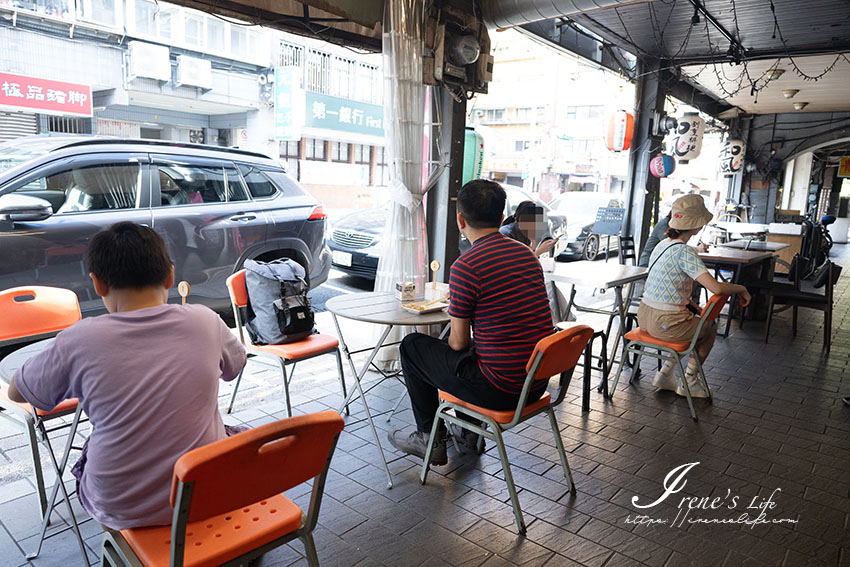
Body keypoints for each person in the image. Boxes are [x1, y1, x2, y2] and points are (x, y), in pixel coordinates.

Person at [8, 222, 246, 530]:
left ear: (98, 284)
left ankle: (125, 549)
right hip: (204, 491)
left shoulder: (78, 340)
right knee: (232, 431)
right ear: (170, 276)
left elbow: (18, 393)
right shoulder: (206, 320)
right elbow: (235, 367)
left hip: (119, 506)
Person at [388, 180, 554, 465]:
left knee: (413, 346)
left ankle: (430, 438)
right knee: (468, 353)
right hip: (535, 383)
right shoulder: (528, 256)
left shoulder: (467, 266)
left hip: (502, 391)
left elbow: (459, 341)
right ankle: (467, 433)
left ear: (460, 220)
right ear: (502, 218)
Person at [638, 194, 751, 397]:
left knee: (693, 323)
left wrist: (693, 307)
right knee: (708, 328)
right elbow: (715, 288)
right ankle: (689, 380)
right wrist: (741, 288)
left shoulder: (661, 245)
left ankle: (665, 374)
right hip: (665, 323)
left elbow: (669, 289)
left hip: (644, 316)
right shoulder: (685, 252)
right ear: (697, 225)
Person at [500, 200, 572, 324]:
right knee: (548, 288)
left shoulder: (525, 233)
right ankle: (559, 322)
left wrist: (533, 243)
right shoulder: (506, 234)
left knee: (550, 287)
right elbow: (516, 264)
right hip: (509, 285)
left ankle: (562, 320)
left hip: (520, 280)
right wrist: (539, 251)